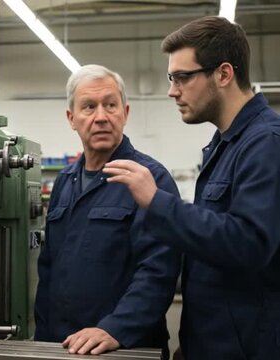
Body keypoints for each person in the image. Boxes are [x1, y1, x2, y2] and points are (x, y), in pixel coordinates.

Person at [103, 16, 280, 360]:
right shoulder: (226, 144)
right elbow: (212, 252)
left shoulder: (266, 143)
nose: (172, 90)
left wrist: (156, 201)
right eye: (172, 78)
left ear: (224, 74)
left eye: (183, 77)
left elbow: (249, 244)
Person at [34, 64, 181, 357]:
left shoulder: (149, 178)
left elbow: (158, 271)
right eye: (89, 107)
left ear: (124, 113)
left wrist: (117, 327)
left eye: (110, 105)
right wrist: (43, 337)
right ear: (71, 118)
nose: (101, 116)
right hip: (64, 345)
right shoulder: (64, 180)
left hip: (125, 347)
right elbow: (49, 268)